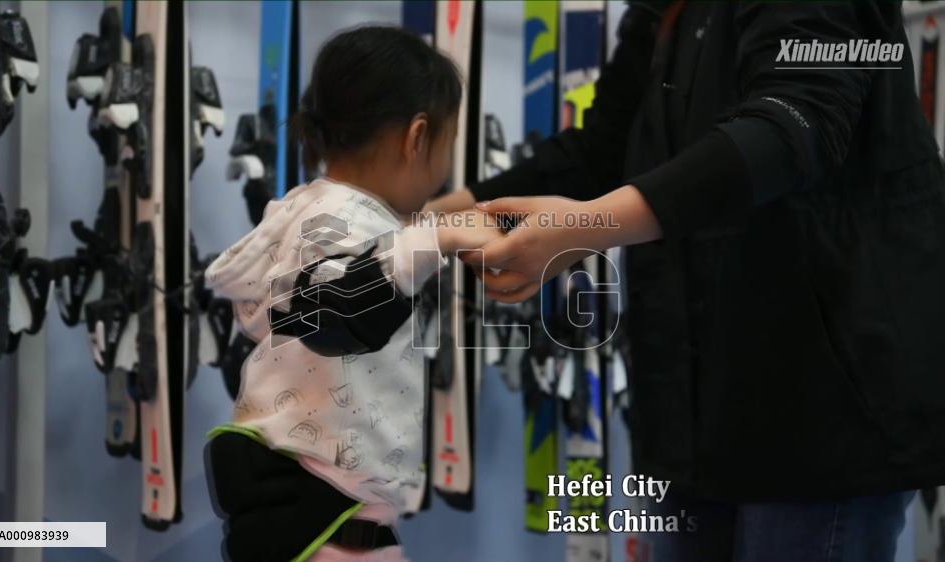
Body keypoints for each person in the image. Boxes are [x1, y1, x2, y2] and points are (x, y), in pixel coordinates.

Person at [430, 2, 945, 561]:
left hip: (823, 408)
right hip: (689, 406)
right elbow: (604, 148)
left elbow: (792, 127)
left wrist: (583, 226)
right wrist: (439, 213)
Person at [204, 26, 500, 562]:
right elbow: (331, 310)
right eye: (448, 145)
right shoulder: (340, 219)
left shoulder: (307, 210)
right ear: (417, 139)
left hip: (332, 510)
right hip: (327, 523)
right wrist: (439, 237)